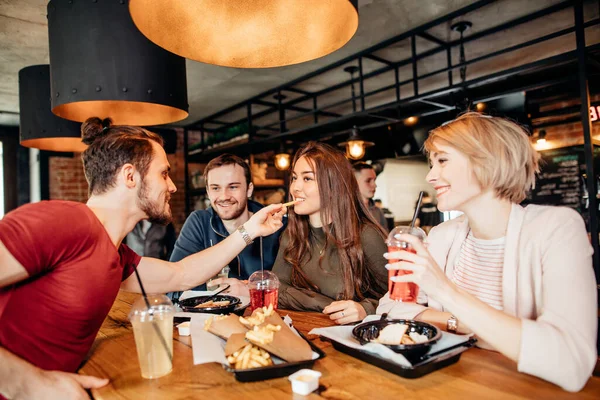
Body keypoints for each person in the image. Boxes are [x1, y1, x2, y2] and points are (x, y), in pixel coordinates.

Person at [0, 118, 286, 399]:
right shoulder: (64, 221)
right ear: (130, 176)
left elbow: (182, 274)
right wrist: (26, 383)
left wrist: (250, 230)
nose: (172, 186)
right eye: (163, 173)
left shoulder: (116, 255)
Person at [377, 113, 597, 392]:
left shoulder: (556, 228)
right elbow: (389, 308)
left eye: (442, 160)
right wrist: (463, 325)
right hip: (450, 383)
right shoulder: (444, 235)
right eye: (431, 164)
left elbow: (570, 362)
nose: (430, 176)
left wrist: (445, 292)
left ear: (487, 160)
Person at [273, 142, 389, 325]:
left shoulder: (366, 235)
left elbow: (398, 298)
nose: (295, 188)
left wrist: (366, 309)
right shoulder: (293, 235)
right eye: (294, 178)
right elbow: (277, 289)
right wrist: (324, 304)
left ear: (333, 185)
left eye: (307, 179)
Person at [168, 154, 285, 300]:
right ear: (208, 192)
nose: (224, 196)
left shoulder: (277, 224)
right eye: (216, 188)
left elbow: (293, 290)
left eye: (233, 187)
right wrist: (221, 290)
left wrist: (250, 289)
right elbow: (172, 289)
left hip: (265, 319)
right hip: (211, 320)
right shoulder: (199, 222)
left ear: (249, 189)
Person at [353, 162, 388, 232]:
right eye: (368, 181)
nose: (374, 185)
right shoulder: (347, 211)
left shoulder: (378, 211)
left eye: (374, 180)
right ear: (354, 182)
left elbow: (385, 238)